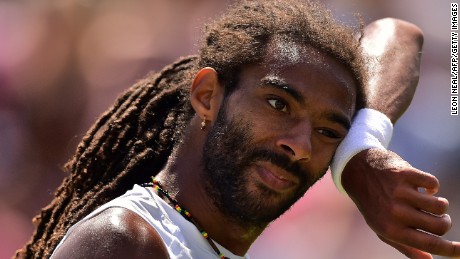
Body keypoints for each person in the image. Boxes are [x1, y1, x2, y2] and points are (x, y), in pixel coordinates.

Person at [15, 0, 459, 258]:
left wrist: (360, 152)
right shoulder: (125, 240)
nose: (300, 145)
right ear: (207, 95)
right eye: (277, 103)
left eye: (329, 132)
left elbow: (399, 35)